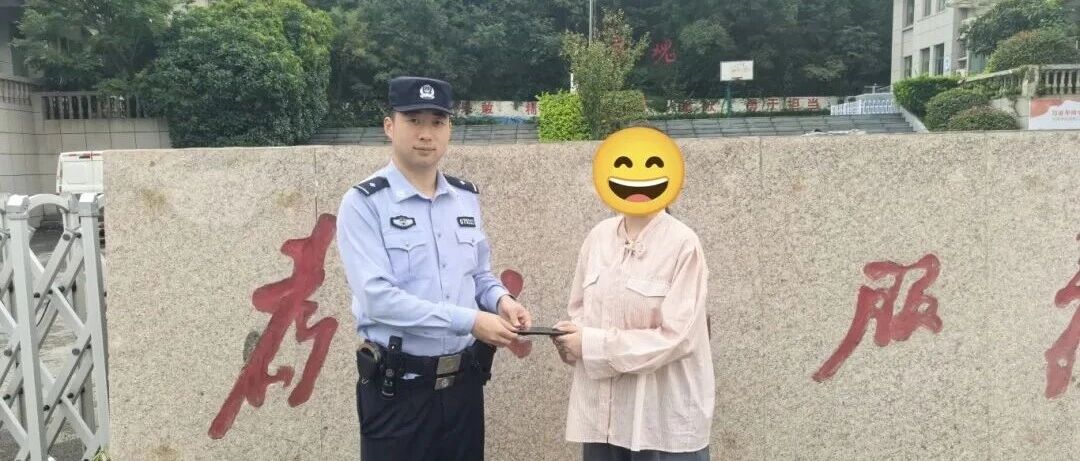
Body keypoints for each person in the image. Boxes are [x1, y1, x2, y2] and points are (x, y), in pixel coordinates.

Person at [336, 76, 532, 460]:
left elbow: (479, 274)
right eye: (414, 121)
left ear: (449, 130)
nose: (426, 134)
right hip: (398, 392)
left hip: (464, 388)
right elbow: (377, 299)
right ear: (389, 126)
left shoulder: (464, 198)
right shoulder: (364, 203)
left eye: (437, 122)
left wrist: (502, 301)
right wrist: (471, 321)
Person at [553, 127, 714, 461]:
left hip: (662, 422)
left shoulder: (683, 244)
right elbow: (579, 310)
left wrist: (593, 345)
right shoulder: (598, 238)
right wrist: (571, 340)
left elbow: (678, 338)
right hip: (603, 418)